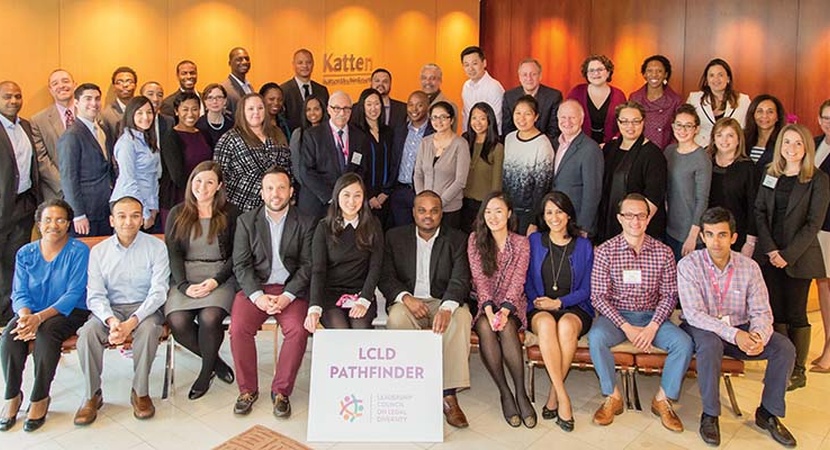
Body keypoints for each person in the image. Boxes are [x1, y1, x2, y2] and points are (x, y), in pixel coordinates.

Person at [679, 207, 797, 447]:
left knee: (783, 347)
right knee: (711, 344)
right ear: (702, 237)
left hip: (741, 326)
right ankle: (710, 414)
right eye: (709, 235)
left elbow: (762, 311)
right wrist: (736, 335)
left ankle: (768, 413)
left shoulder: (749, 268)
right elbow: (694, 314)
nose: (715, 241)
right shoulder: (689, 265)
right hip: (704, 327)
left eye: (722, 235)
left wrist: (758, 336)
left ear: (733, 237)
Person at [589, 193, 692, 431]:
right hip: (616, 316)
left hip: (651, 316)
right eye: (629, 215)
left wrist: (653, 326)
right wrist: (626, 327)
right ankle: (613, 397)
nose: (635, 221)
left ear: (648, 219)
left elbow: (669, 296)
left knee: (684, 343)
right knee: (596, 338)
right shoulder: (606, 251)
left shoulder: (664, 252)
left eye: (641, 216)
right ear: (619, 219)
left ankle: (662, 400)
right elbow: (599, 297)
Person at [380, 190, 473, 429]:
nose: (428, 216)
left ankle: (448, 394)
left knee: (461, 316)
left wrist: (447, 307)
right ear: (413, 212)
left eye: (434, 210)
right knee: (397, 317)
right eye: (422, 210)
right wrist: (405, 298)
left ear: (442, 213)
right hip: (409, 301)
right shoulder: (394, 237)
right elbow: (386, 276)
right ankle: (411, 388)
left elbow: (461, 279)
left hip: (442, 300)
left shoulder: (457, 239)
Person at [73, 196, 170, 425]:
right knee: (87, 334)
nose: (129, 222)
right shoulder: (99, 252)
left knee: (148, 331)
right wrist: (111, 321)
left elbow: (159, 292)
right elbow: (95, 295)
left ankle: (140, 392)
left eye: (135, 215)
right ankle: (92, 394)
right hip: (110, 309)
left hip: (144, 308)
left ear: (142, 218)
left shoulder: (156, 247)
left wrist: (132, 322)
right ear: (112, 220)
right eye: (122, 216)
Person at [231, 166, 315, 418]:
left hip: (291, 290)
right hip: (256, 288)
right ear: (262, 192)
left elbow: (307, 265)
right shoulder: (246, 221)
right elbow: (241, 265)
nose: (275, 194)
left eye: (281, 187)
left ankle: (281, 391)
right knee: (238, 329)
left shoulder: (307, 222)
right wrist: (258, 297)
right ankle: (247, 390)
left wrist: (287, 295)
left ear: (291, 191)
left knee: (298, 330)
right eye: (270, 188)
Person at [0, 200, 89, 432]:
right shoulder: (26, 252)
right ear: (39, 224)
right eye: (48, 220)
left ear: (68, 223)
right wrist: (26, 317)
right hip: (33, 311)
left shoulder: (78, 251)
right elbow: (19, 292)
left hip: (69, 312)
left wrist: (39, 319)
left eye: (60, 219)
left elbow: (74, 293)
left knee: (47, 333)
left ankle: (40, 398)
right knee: (10, 334)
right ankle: (12, 396)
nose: (54, 225)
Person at [755, 123, 830, 391]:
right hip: (770, 254)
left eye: (798, 143)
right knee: (775, 312)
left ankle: (798, 370)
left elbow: (813, 223)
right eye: (787, 142)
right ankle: (781, 366)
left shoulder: (817, 179)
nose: (792, 148)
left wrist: (787, 254)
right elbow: (760, 212)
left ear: (806, 147)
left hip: (799, 256)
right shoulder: (770, 173)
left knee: (796, 313)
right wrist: (772, 250)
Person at [164, 161, 238, 400]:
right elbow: (173, 252)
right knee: (177, 321)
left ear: (219, 186)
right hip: (185, 276)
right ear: (190, 183)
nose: (202, 187)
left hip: (220, 277)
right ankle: (216, 363)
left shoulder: (231, 213)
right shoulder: (177, 213)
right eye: (198, 181)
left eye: (209, 182)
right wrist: (184, 285)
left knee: (210, 317)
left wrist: (215, 281)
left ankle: (205, 374)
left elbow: (237, 256)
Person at [526, 192, 594, 432]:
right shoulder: (534, 241)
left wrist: (560, 302)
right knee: (546, 324)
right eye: (549, 212)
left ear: (568, 215)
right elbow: (527, 281)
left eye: (559, 211)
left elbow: (587, 289)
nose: (554, 217)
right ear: (543, 217)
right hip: (540, 305)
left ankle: (555, 395)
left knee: (565, 326)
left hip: (575, 306)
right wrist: (539, 301)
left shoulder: (584, 245)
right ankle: (564, 399)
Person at [468, 192, 534, 428]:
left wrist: (505, 311)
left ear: (508, 213)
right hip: (484, 303)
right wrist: (488, 310)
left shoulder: (521, 243)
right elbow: (479, 280)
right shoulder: (475, 240)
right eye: (488, 211)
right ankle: (504, 391)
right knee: (485, 327)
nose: (493, 216)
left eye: (498, 211)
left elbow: (518, 281)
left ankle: (520, 392)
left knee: (506, 329)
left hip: (512, 303)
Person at [305, 173, 383, 331]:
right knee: (340, 330)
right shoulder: (323, 227)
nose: (351, 201)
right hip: (330, 295)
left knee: (360, 328)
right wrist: (314, 308)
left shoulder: (373, 225)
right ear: (337, 196)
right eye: (346, 195)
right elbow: (318, 270)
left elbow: (376, 266)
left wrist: (365, 299)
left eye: (357, 195)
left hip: (360, 293)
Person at [596, 101, 667, 243]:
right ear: (618, 122)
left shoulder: (653, 154)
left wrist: (633, 229)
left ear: (643, 122)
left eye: (636, 121)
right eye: (625, 121)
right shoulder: (609, 148)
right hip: (609, 223)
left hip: (639, 230)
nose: (630, 126)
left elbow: (653, 198)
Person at [0, 81, 40, 326]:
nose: (13, 101)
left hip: (23, 205)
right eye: (7, 96)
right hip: (1, 206)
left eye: (17, 96)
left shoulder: (25, 125)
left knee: (15, 263)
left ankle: (8, 315)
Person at [213, 93, 292, 212]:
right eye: (251, 108)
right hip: (242, 208)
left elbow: (288, 167)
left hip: (277, 204)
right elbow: (219, 175)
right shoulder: (229, 139)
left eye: (260, 108)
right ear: (242, 112)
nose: (256, 112)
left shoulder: (277, 133)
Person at [296, 91, 369, 219]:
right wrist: (331, 197)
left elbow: (361, 169)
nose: (342, 113)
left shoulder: (360, 136)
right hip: (318, 203)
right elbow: (306, 171)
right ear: (329, 109)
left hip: (348, 206)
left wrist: (347, 195)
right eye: (337, 108)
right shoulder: (312, 135)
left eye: (347, 109)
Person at [58, 83, 115, 237]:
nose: (94, 103)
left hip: (104, 208)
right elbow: (69, 178)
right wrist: (78, 214)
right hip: (85, 212)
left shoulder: (103, 130)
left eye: (97, 99)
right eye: (88, 99)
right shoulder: (72, 135)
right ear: (76, 103)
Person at [665, 104, 711, 261]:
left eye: (688, 126)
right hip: (670, 227)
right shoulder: (669, 152)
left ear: (696, 129)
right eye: (679, 125)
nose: (682, 130)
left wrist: (693, 235)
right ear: (673, 126)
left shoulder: (702, 158)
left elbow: (702, 199)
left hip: (689, 232)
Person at [414, 101, 470, 230]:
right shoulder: (425, 142)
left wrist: (438, 204)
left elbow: (460, 181)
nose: (438, 121)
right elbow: (418, 174)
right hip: (426, 210)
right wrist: (423, 201)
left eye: (443, 117)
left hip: (450, 208)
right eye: (434, 117)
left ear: (451, 120)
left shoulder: (461, 144)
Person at [551, 99, 603, 238]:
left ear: (581, 120)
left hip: (576, 223)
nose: (567, 122)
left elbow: (593, 192)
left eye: (572, 117)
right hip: (554, 220)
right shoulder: (554, 144)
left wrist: (584, 227)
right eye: (563, 117)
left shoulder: (591, 148)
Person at [502, 95, 554, 234]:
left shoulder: (543, 144)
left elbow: (542, 187)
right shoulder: (510, 139)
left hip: (527, 214)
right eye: (518, 113)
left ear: (536, 117)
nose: (522, 118)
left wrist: (534, 220)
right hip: (507, 211)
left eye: (527, 114)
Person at [707, 117, 758, 255]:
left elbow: (754, 207)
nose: (724, 140)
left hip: (737, 236)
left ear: (738, 140)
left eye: (730, 135)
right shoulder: (705, 161)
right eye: (720, 135)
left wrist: (750, 242)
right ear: (713, 138)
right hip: (708, 235)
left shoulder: (748, 167)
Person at [110, 96, 161, 232]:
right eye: (139, 112)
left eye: (149, 112)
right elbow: (129, 180)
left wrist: (154, 207)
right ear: (130, 114)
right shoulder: (127, 142)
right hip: (129, 206)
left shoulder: (146, 139)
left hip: (148, 205)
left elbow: (153, 176)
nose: (145, 117)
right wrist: (143, 212)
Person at [160, 92, 213, 215]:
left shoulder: (204, 134)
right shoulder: (171, 137)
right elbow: (177, 176)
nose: (190, 114)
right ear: (176, 111)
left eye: (195, 109)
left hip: (202, 197)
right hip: (177, 200)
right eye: (185, 109)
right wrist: (196, 193)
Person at [351, 88, 395, 228]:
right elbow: (356, 167)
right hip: (365, 197)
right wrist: (369, 195)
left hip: (387, 195)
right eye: (369, 104)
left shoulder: (388, 132)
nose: (373, 108)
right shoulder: (356, 133)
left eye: (377, 104)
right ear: (362, 107)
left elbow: (394, 163)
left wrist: (386, 192)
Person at [389, 91, 433, 227]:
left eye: (419, 105)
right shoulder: (399, 130)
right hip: (399, 191)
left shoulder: (434, 132)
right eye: (410, 105)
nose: (414, 109)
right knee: (401, 235)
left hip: (421, 192)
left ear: (428, 107)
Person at [31, 69, 76, 200]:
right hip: (57, 192)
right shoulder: (38, 120)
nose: (61, 86)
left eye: (66, 81)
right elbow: (41, 159)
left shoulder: (92, 113)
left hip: (90, 188)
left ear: (74, 85)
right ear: (51, 90)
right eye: (55, 83)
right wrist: (65, 185)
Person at [687, 58, 751, 147]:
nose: (716, 79)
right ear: (707, 80)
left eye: (720, 75)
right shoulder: (694, 99)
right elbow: (688, 126)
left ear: (728, 78)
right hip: (702, 150)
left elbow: (747, 129)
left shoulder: (743, 100)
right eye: (711, 75)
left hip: (731, 151)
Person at [566, 55, 626, 146]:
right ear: (586, 74)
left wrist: (613, 142)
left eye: (600, 70)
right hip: (581, 146)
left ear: (608, 72)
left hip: (611, 147)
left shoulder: (619, 95)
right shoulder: (576, 92)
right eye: (591, 70)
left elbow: (625, 121)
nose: (596, 73)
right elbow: (566, 118)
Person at [462, 102, 503, 232]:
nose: (477, 122)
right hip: (461, 202)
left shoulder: (497, 147)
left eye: (482, 118)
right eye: (474, 118)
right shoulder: (464, 141)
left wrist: (492, 208)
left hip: (484, 206)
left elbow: (497, 184)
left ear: (489, 121)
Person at [628, 55, 682, 150]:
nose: (654, 75)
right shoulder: (635, 97)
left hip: (664, 151)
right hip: (639, 150)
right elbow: (629, 126)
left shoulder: (675, 100)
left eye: (659, 71)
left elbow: (678, 130)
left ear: (666, 74)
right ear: (644, 74)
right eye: (650, 71)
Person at [502, 58, 562, 142]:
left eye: (533, 74)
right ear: (519, 77)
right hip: (517, 144)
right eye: (524, 74)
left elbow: (554, 130)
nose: (529, 78)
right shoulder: (509, 96)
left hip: (545, 145)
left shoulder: (553, 96)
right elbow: (507, 128)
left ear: (540, 76)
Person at [813, 99, 830, 372]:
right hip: (812, 228)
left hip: (829, 226)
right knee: (822, 284)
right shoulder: (813, 142)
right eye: (826, 117)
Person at [281, 49, 330, 131]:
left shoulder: (322, 90)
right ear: (293, 65)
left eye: (308, 62)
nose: (305, 66)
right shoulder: (284, 90)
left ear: (313, 64)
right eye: (300, 63)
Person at [460, 46, 504, 132]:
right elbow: (466, 115)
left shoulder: (494, 87)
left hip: (491, 138)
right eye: (466, 65)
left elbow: (497, 120)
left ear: (484, 63)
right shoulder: (466, 86)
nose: (470, 68)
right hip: (472, 137)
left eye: (475, 63)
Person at [288, 95, 326, 184]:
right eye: (308, 110)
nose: (312, 113)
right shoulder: (298, 133)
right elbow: (295, 164)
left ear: (323, 110)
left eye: (316, 109)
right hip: (305, 186)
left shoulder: (330, 132)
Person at [745, 94, 786, 167]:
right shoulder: (744, 138)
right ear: (753, 114)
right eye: (759, 111)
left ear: (777, 116)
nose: (764, 116)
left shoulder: (783, 141)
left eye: (770, 112)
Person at [100, 66, 137, 140]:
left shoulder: (142, 110)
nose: (125, 85)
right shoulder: (106, 114)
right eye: (119, 82)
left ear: (135, 86)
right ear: (114, 87)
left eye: (129, 81)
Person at [420, 63, 458, 131]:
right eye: (424, 78)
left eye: (432, 78)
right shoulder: (414, 105)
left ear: (440, 81)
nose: (428, 82)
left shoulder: (450, 105)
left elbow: (451, 137)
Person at [196, 84, 234, 149]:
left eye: (219, 97)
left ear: (225, 101)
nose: (214, 101)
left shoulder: (232, 124)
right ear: (205, 101)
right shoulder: (198, 125)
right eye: (210, 98)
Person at [221, 47, 253, 116]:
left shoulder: (249, 86)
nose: (244, 62)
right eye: (239, 59)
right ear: (229, 63)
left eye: (247, 59)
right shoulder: (224, 89)